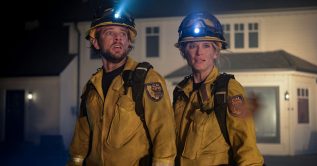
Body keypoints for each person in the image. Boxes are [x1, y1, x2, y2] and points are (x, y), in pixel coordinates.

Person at [67, 7, 176, 166]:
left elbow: (164, 132)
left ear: (128, 42)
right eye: (110, 33)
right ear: (96, 42)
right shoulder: (91, 87)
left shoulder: (146, 79)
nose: (118, 38)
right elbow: (81, 139)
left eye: (123, 34)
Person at [173, 11, 264, 166]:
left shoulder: (229, 90)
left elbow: (247, 148)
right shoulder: (180, 92)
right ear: (183, 51)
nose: (199, 52)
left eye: (206, 45)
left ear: (216, 52)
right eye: (193, 45)